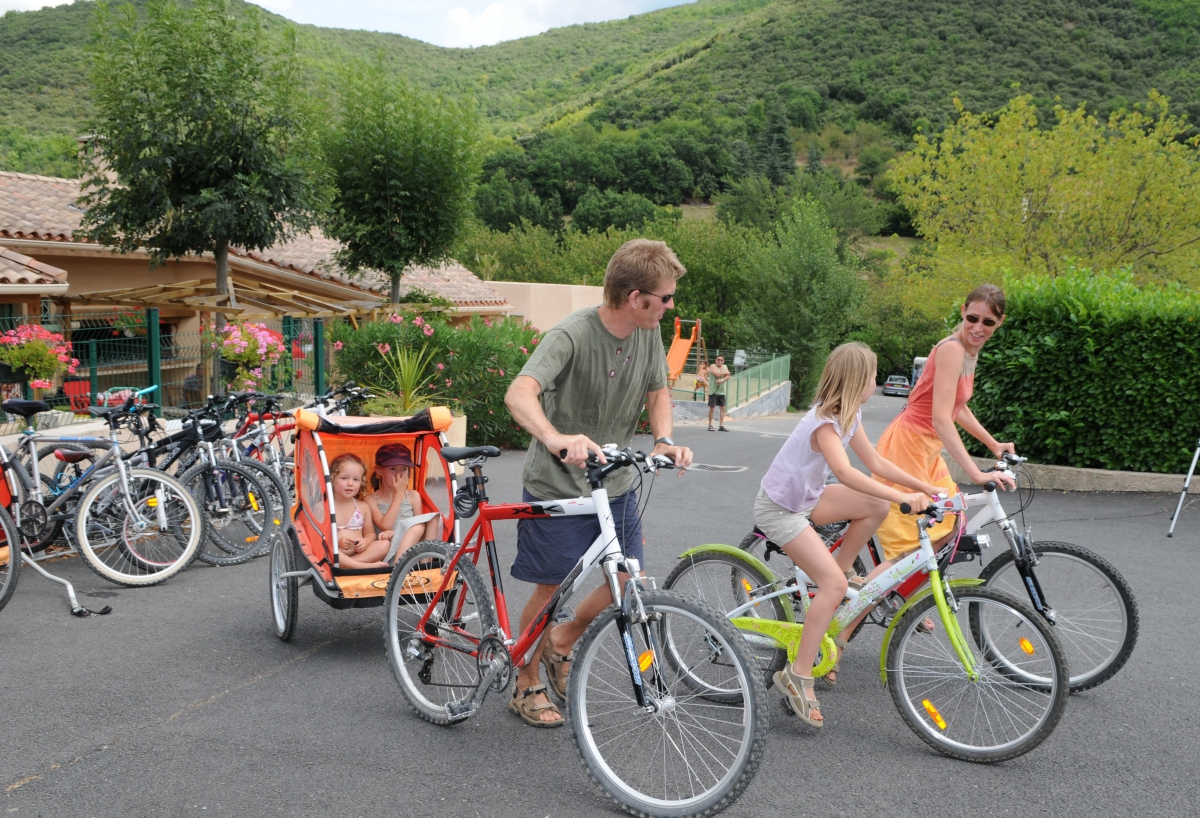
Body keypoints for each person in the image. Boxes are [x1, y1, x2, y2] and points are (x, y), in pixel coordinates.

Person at [504, 238, 694, 727]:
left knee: (628, 580)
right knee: (551, 592)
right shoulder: (571, 335)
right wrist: (553, 436)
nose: (672, 304)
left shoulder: (648, 332)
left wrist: (665, 440)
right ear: (636, 297)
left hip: (615, 482)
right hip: (558, 484)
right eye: (666, 297)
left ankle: (562, 642)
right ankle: (525, 683)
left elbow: (658, 392)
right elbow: (519, 392)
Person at [754, 342, 939, 728]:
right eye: (873, 375)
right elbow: (849, 473)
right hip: (782, 510)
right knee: (835, 587)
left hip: (807, 499)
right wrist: (904, 497)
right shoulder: (824, 423)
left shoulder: (848, 417)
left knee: (875, 507)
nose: (876, 381)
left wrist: (924, 486)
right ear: (859, 381)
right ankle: (798, 675)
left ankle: (839, 570)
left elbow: (875, 462)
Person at [872, 284, 1016, 566]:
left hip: (925, 449)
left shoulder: (967, 351)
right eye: (972, 318)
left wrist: (994, 444)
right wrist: (975, 473)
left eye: (988, 322)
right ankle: (878, 602)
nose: (978, 328)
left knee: (951, 522)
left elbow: (956, 407)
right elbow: (940, 419)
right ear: (963, 312)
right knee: (915, 547)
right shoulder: (953, 350)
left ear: (999, 323)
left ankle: (910, 607)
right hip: (909, 445)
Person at [368, 443, 440, 563]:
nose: (399, 474)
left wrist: (398, 532)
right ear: (379, 471)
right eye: (392, 469)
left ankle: (425, 566)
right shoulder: (371, 499)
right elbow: (385, 526)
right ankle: (398, 569)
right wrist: (399, 494)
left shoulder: (413, 496)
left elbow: (419, 528)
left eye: (404, 469)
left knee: (432, 519)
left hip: (410, 548)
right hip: (387, 551)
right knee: (416, 526)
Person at [328, 453, 391, 570]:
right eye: (344, 478)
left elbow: (370, 533)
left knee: (384, 544)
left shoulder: (362, 506)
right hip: (335, 554)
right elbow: (321, 538)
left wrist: (366, 542)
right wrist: (338, 542)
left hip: (359, 554)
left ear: (361, 482)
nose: (350, 483)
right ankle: (362, 566)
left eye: (356, 479)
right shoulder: (325, 506)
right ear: (332, 479)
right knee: (327, 549)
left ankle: (349, 566)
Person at [707, 354, 731, 431]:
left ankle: (721, 425)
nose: (720, 361)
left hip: (721, 391)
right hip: (713, 390)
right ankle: (710, 425)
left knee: (722, 408)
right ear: (715, 360)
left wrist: (722, 380)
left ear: (723, 361)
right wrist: (725, 373)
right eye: (718, 359)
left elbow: (728, 376)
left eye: (721, 360)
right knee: (712, 408)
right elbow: (717, 374)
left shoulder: (725, 366)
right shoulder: (712, 366)